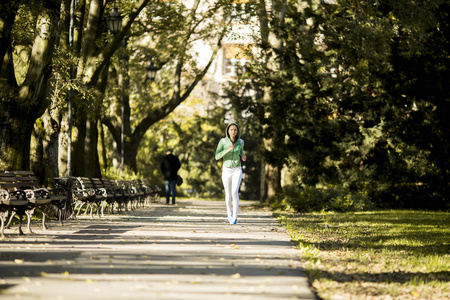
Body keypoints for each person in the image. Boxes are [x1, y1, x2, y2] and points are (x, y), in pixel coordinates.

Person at [215, 122, 247, 224]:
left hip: (237, 169)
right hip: (226, 169)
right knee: (228, 194)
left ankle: (235, 215)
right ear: (228, 131)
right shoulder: (223, 141)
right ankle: (229, 213)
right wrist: (227, 150)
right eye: (231, 130)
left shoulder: (241, 142)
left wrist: (243, 156)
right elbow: (217, 156)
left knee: (234, 192)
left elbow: (242, 152)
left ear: (238, 131)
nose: (233, 131)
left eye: (235, 130)